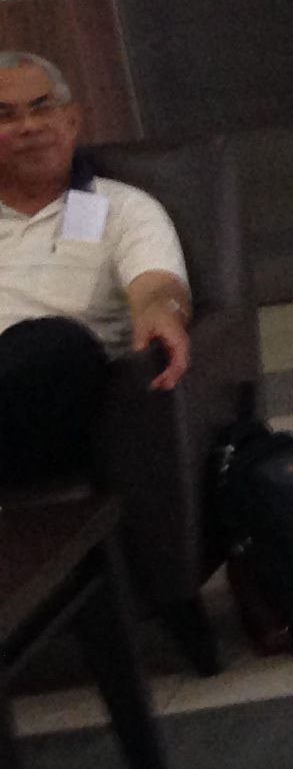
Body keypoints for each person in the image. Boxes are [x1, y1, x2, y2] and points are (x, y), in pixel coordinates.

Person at [0, 50, 189, 489]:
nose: (29, 127)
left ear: (72, 120)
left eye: (42, 107)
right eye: (6, 116)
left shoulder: (122, 207)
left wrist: (162, 311)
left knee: (57, 342)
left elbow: (157, 285)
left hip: (52, 395)